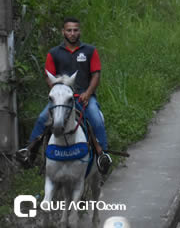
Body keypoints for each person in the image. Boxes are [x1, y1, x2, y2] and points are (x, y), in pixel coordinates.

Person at [16, 17, 112, 174]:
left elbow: (96, 75)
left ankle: (103, 155)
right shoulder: (54, 53)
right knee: (42, 118)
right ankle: (29, 152)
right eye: (69, 30)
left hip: (84, 97)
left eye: (75, 30)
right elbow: (48, 76)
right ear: (63, 32)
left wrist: (88, 93)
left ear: (79, 31)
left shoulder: (90, 51)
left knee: (96, 119)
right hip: (61, 100)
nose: (72, 33)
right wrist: (58, 93)